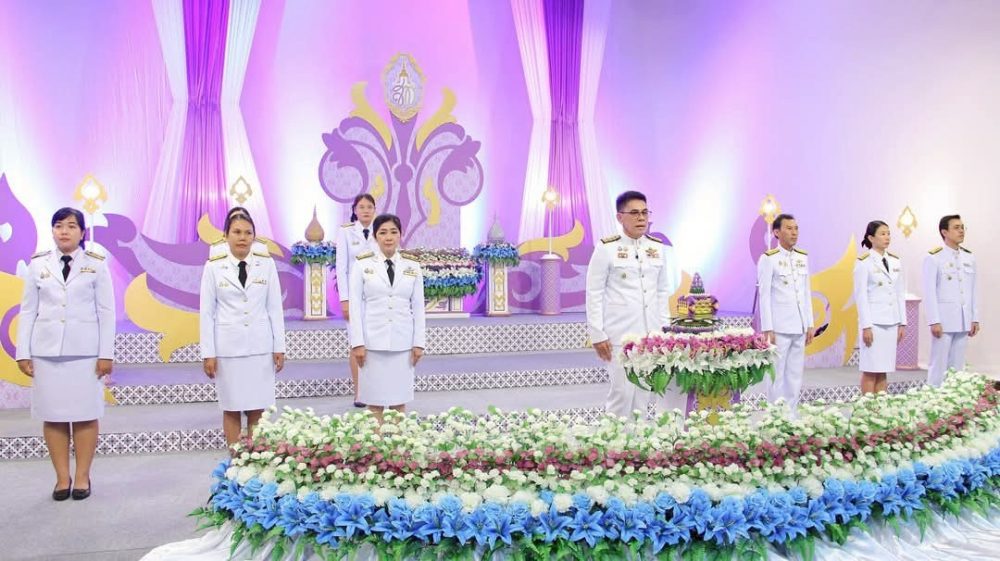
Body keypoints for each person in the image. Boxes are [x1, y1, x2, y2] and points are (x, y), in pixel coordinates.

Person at [15, 207, 114, 501]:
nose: (64, 231)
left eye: (71, 226)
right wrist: (23, 352)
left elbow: (106, 312)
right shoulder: (38, 264)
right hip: (46, 353)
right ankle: (61, 478)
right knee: (54, 416)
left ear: (82, 232)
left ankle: (82, 476)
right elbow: (28, 311)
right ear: (53, 231)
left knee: (85, 415)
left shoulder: (96, 264)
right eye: (59, 225)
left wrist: (106, 353)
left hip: (85, 353)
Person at [585, 190, 683, 418]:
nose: (641, 218)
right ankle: (614, 438)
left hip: (650, 334)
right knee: (621, 393)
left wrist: (663, 331)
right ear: (620, 217)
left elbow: (662, 291)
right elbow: (594, 292)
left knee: (643, 393)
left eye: (645, 213)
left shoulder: (657, 248)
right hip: (619, 334)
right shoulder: (607, 248)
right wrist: (597, 333)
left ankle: (638, 439)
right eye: (635, 213)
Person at [199, 211, 286, 446]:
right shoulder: (214, 266)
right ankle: (235, 459)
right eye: (236, 232)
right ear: (226, 235)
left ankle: (255, 459)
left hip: (260, 347)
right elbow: (206, 313)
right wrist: (208, 353)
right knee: (231, 407)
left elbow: (274, 308)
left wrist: (279, 346)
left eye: (248, 233)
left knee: (258, 407)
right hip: (228, 349)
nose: (242, 237)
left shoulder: (266, 264)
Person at [348, 213, 426, 424]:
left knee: (398, 402)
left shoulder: (412, 265)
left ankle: (397, 443)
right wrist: (357, 343)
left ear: (400, 235)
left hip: (403, 343)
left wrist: (419, 343)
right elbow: (355, 306)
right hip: (372, 343)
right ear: (375, 236)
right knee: (375, 402)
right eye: (383, 232)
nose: (388, 237)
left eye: (393, 232)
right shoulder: (362, 264)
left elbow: (419, 307)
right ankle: (376, 444)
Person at [757, 213, 815, 416]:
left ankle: (791, 415)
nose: (794, 232)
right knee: (776, 374)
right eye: (789, 228)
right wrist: (768, 328)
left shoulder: (802, 258)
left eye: (796, 228)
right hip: (779, 327)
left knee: (795, 375)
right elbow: (764, 295)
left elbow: (806, 292)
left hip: (799, 326)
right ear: (776, 232)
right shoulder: (768, 259)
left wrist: (809, 323)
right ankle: (775, 416)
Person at [923, 214, 979, 386]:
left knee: (957, 366)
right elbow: (929, 292)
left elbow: (973, 290)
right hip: (944, 320)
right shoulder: (934, 257)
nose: (961, 231)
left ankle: (953, 398)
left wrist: (975, 318)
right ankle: (933, 396)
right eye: (956, 227)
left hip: (963, 319)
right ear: (944, 232)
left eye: (962, 227)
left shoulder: (969, 257)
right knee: (938, 364)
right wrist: (934, 320)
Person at [853, 221, 906, 394]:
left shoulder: (895, 261)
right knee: (870, 370)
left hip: (891, 321)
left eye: (888, 233)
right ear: (871, 238)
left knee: (883, 370)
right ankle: (867, 407)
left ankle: (881, 408)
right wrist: (866, 326)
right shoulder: (864, 262)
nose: (887, 237)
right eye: (882, 234)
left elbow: (899, 293)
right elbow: (861, 297)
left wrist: (902, 323)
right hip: (874, 323)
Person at [336, 194, 378, 407]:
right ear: (354, 210)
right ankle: (359, 392)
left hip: (376, 295)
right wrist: (345, 300)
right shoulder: (346, 232)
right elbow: (341, 268)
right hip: (355, 297)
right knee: (356, 343)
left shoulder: (381, 230)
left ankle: (376, 391)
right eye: (361, 207)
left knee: (375, 343)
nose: (366, 210)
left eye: (370, 207)